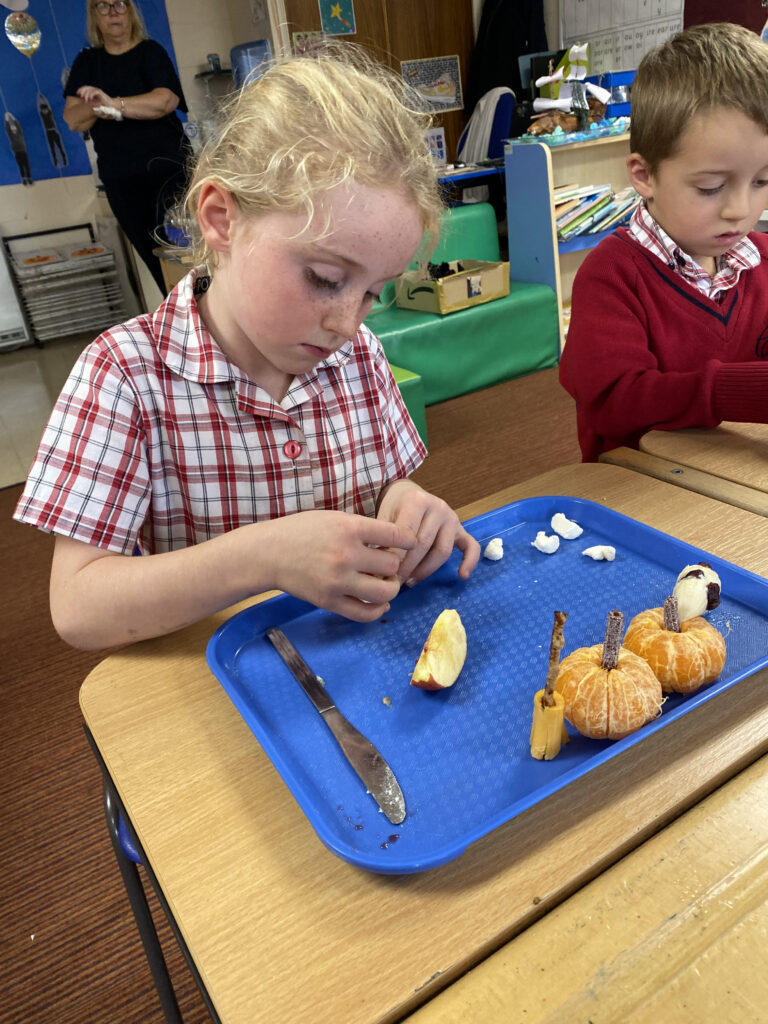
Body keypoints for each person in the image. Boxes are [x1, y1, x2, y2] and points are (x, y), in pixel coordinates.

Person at [14, 47, 481, 652]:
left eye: (372, 293)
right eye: (322, 277)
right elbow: (78, 607)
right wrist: (266, 556)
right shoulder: (123, 376)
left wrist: (407, 506)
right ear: (220, 219)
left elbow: (382, 489)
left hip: (354, 666)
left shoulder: (357, 356)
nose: (346, 322)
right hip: (210, 690)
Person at [559, 23, 768, 462]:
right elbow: (612, 404)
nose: (740, 210)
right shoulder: (611, 275)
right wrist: (736, 391)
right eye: (711, 187)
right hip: (638, 483)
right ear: (644, 175)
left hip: (733, 470)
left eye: (763, 181)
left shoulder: (761, 260)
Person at [63, 0, 192, 294]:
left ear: (131, 11)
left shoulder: (151, 52)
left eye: (119, 4)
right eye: (103, 6)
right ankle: (181, 325)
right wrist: (98, 107)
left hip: (169, 174)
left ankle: (212, 322)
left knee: (186, 253)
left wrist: (114, 104)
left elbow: (165, 101)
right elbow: (73, 118)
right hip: (122, 181)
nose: (112, 12)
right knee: (155, 259)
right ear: (94, 15)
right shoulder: (87, 62)